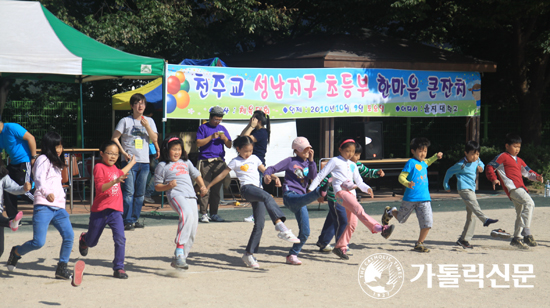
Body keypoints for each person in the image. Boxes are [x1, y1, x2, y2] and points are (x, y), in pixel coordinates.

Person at [202, 136, 300, 269]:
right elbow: (221, 175)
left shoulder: (255, 158)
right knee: (268, 197)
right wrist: (207, 187)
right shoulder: (235, 161)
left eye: (251, 150)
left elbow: (265, 171)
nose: (249, 153)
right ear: (238, 149)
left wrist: (274, 177)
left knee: (259, 225)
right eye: (246, 151)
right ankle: (280, 226)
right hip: (247, 189)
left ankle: (248, 254)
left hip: (258, 191)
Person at [7, 132, 85, 285]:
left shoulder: (57, 163)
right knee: (38, 242)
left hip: (59, 208)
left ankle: (61, 267)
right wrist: (46, 193)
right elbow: (39, 179)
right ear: (48, 146)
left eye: (61, 146)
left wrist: (60, 199)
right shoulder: (43, 159)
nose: (59, 149)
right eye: (56, 146)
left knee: (69, 236)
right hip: (44, 205)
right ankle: (16, 252)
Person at [309, 139, 394, 260]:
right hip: (340, 193)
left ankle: (340, 246)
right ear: (340, 149)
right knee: (358, 208)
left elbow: (359, 182)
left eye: (352, 151)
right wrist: (311, 189)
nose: (350, 154)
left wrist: (367, 188)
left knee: (352, 223)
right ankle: (379, 228)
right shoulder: (335, 161)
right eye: (348, 151)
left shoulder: (353, 165)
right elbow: (321, 175)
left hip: (351, 194)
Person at [263, 137, 329, 265]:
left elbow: (313, 177)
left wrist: (311, 161)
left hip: (302, 199)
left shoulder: (309, 163)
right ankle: (320, 192)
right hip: (290, 195)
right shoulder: (290, 161)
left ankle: (292, 255)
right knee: (306, 196)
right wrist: (267, 174)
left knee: (305, 232)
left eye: (308, 148)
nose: (307, 151)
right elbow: (272, 168)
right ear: (296, 150)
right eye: (304, 149)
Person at [78, 141, 136, 279]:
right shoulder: (99, 167)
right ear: (102, 153)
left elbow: (121, 172)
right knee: (92, 242)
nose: (113, 156)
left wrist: (133, 162)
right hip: (100, 211)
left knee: (120, 239)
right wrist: (115, 181)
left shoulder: (116, 169)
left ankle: (119, 268)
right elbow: (100, 188)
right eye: (110, 153)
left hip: (115, 211)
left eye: (116, 154)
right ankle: (84, 239)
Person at [155, 136, 208, 270]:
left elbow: (196, 174)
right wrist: (168, 186)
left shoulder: (186, 162)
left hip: (191, 196)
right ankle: (179, 250)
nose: (177, 152)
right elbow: (157, 186)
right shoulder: (162, 166)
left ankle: (181, 259)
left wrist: (202, 187)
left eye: (179, 149)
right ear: (167, 151)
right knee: (187, 214)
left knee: (192, 229)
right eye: (174, 150)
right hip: (176, 195)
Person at [381, 137, 443, 253]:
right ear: (413, 151)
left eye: (425, 151)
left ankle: (419, 243)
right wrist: (407, 183)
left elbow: (428, 161)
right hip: (410, 198)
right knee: (401, 219)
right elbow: (401, 177)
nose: (423, 154)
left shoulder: (424, 162)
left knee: (427, 222)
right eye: (420, 151)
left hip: (425, 199)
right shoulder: (411, 163)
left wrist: (436, 156)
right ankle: (390, 211)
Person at [486, 133, 543, 249]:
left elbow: (528, 172)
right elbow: (490, 167)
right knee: (530, 203)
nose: (517, 149)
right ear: (507, 146)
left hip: (521, 189)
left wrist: (537, 177)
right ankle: (526, 232)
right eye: (515, 146)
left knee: (520, 213)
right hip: (513, 188)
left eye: (519, 147)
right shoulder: (503, 156)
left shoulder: (520, 160)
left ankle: (517, 238)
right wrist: (493, 179)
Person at [112, 93, 158, 230]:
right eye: (137, 103)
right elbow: (114, 138)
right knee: (129, 192)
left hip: (144, 161)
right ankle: (127, 220)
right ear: (132, 106)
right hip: (129, 162)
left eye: (142, 103)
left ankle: (134, 218)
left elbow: (155, 139)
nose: (140, 106)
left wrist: (147, 126)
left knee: (140, 194)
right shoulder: (125, 121)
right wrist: (123, 152)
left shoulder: (149, 121)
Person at [443, 140, 499, 249]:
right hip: (464, 189)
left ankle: (464, 240)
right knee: (475, 205)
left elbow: (481, 163)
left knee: (472, 215)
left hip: (471, 189)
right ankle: (485, 219)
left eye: (477, 153)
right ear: (466, 153)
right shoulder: (461, 165)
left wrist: (481, 168)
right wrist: (446, 186)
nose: (475, 156)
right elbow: (449, 172)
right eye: (473, 154)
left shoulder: (476, 160)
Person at [196, 106, 232, 223]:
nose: (217, 121)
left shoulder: (222, 128)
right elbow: (198, 143)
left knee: (216, 190)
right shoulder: (203, 127)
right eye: (216, 119)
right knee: (204, 188)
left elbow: (230, 145)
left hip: (219, 161)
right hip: (205, 161)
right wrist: (211, 137)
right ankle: (204, 213)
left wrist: (224, 138)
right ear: (210, 117)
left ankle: (214, 213)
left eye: (219, 119)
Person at [0, 121, 37, 217]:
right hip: (13, 164)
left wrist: (33, 157)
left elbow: (31, 138)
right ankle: (13, 217)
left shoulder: (12, 127)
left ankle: (47, 205)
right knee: (7, 187)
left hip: (24, 162)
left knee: (25, 190)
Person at [240, 110, 270, 223]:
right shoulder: (257, 131)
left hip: (257, 163)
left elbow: (244, 139)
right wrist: (249, 126)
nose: (251, 120)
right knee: (257, 190)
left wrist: (251, 127)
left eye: (253, 118)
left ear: (258, 120)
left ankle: (256, 215)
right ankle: (256, 215)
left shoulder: (261, 132)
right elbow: (242, 137)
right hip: (252, 163)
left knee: (258, 190)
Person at [0, 159, 30, 260]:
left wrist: (23, 189)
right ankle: (10, 222)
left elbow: (12, 187)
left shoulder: (2, 175)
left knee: (0, 249)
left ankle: (10, 222)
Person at [143, 103, 160, 204]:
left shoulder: (136, 119)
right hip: (151, 151)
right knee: (157, 172)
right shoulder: (149, 121)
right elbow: (154, 138)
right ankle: (147, 193)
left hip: (143, 151)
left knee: (146, 173)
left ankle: (143, 194)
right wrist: (158, 148)